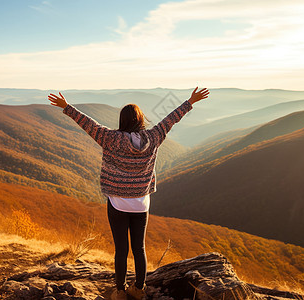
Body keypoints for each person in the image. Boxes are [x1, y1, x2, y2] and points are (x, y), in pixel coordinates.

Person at [48, 87, 210, 300]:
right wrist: (190, 102)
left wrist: (67, 107)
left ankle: (120, 291)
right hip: (141, 203)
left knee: (121, 250)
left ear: (122, 121)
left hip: (117, 202)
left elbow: (88, 124)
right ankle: (139, 289)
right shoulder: (154, 137)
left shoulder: (110, 138)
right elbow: (170, 120)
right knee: (139, 248)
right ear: (141, 120)